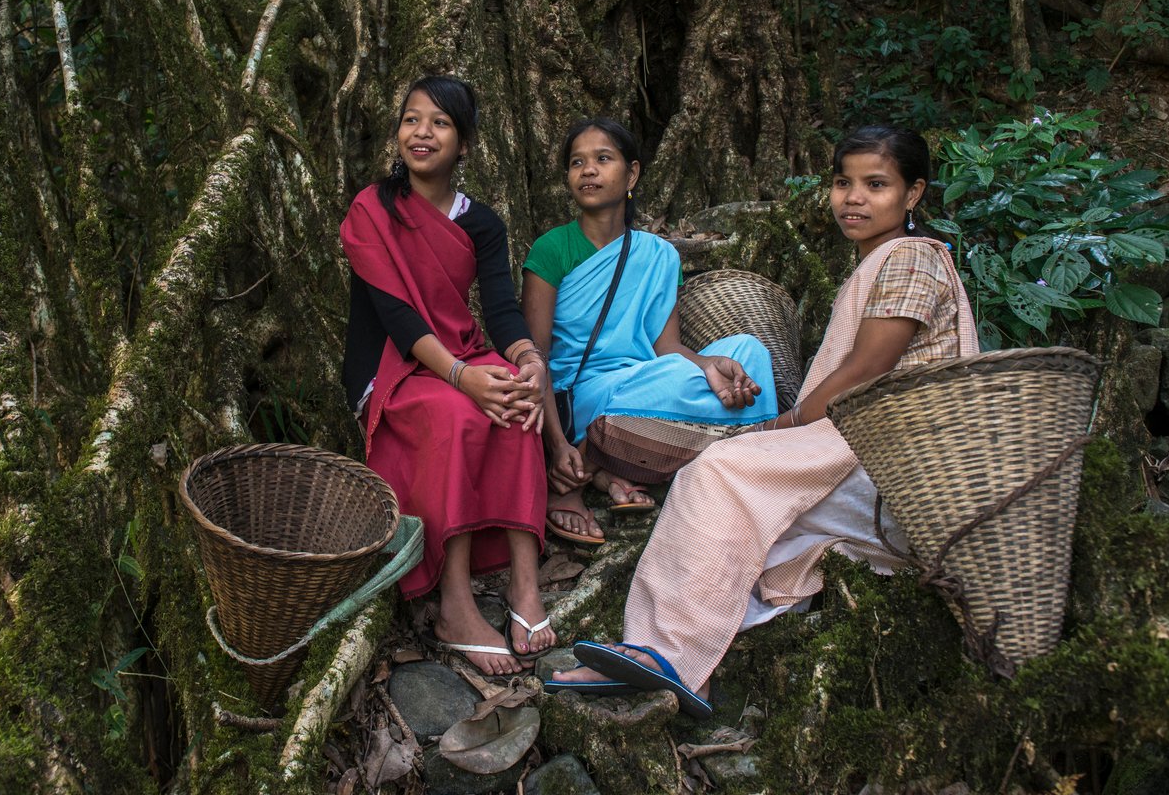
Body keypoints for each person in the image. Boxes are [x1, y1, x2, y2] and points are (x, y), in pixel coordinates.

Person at [549, 124, 979, 717]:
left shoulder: (910, 258)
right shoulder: (886, 260)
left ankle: (664, 655)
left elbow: (868, 366)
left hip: (892, 454)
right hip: (866, 452)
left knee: (719, 470)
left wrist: (787, 425)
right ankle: (674, 660)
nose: (854, 197)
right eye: (842, 183)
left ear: (913, 195)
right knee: (733, 488)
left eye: (876, 185)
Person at [340, 75, 556, 676]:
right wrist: (463, 378)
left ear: (464, 143)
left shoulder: (480, 222)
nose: (422, 132)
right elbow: (397, 316)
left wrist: (527, 361)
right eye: (411, 119)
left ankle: (524, 585)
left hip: (460, 352)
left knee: (515, 404)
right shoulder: (372, 209)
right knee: (462, 414)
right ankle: (455, 604)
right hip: (392, 365)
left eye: (439, 122)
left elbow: (501, 307)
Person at [521, 117, 777, 545]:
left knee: (747, 353)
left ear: (632, 173)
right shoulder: (551, 249)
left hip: (652, 385)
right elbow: (535, 356)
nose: (588, 170)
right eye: (576, 162)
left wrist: (710, 364)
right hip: (586, 393)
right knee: (672, 383)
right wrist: (555, 444)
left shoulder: (659, 255)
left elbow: (668, 348)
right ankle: (583, 468)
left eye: (603, 159)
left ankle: (612, 466)